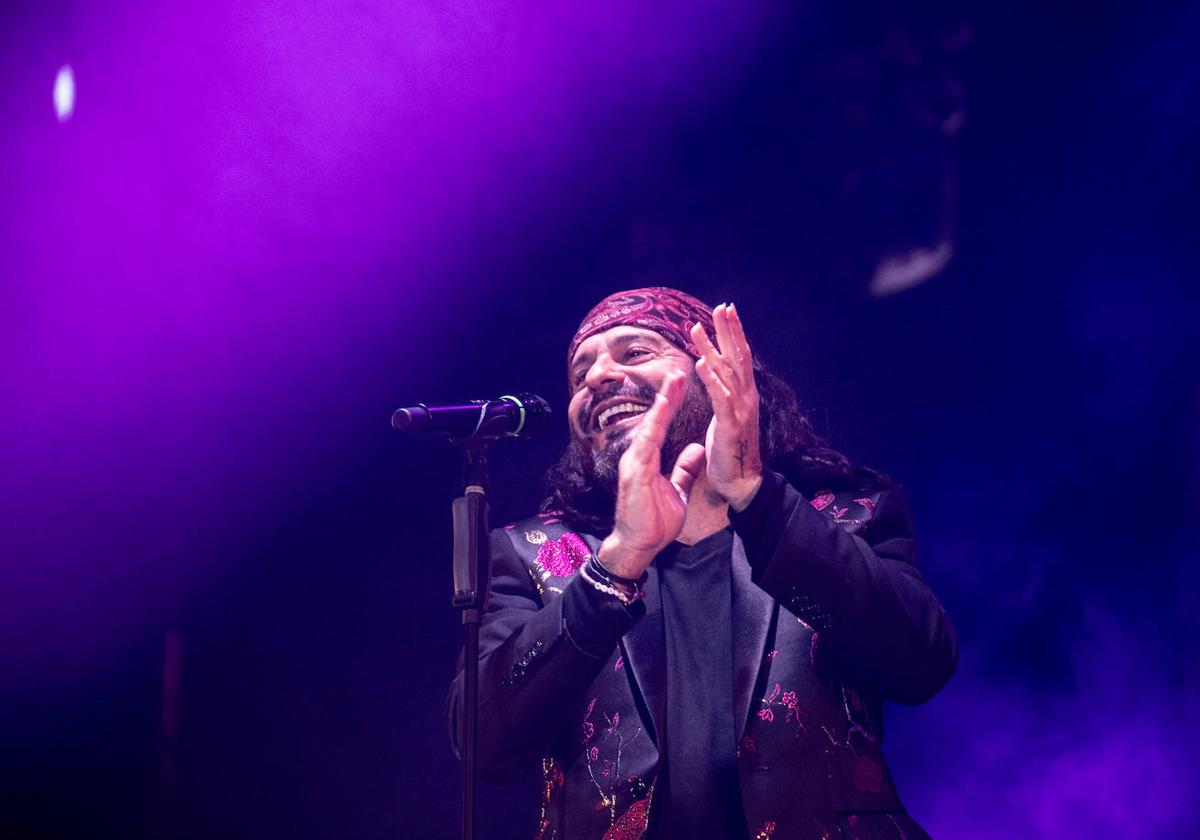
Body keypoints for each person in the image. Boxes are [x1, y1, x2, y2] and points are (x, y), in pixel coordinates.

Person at [447, 288, 957, 839]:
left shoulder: (842, 518)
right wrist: (615, 565)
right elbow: (483, 747)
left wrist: (754, 495)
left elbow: (919, 663)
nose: (597, 378)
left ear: (717, 373)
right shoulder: (535, 554)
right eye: (580, 374)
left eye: (634, 352)